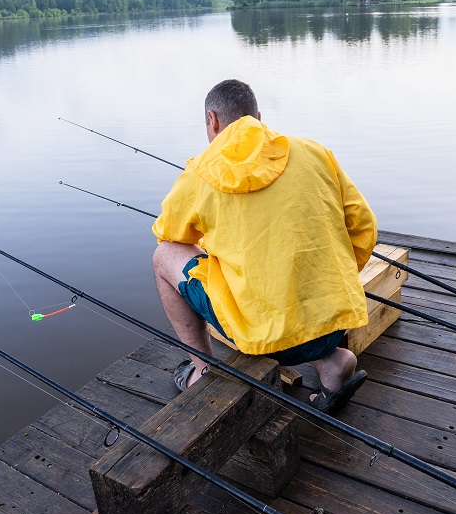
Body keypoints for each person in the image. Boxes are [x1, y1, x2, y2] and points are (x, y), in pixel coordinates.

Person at [151, 79, 376, 413]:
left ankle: (203, 370)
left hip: (264, 342)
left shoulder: (200, 171)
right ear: (258, 115)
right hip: (335, 323)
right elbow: (363, 227)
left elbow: (168, 233)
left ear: (213, 121)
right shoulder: (314, 151)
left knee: (163, 256)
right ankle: (332, 363)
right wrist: (332, 282)